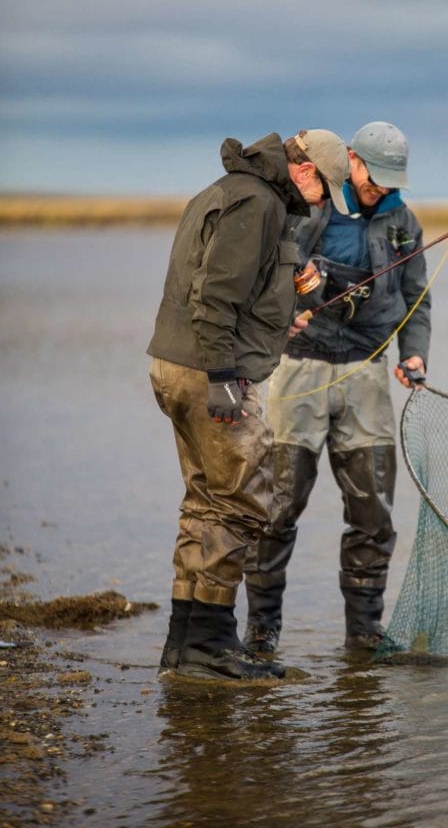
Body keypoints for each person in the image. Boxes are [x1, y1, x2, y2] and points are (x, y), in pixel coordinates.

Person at [148, 128, 350, 681]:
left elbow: (233, 290)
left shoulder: (230, 190)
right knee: (241, 501)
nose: (322, 204)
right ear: (304, 169)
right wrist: (224, 380)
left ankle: (186, 645)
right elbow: (214, 296)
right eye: (325, 190)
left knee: (205, 501)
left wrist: (288, 309)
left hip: (179, 365)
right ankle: (211, 643)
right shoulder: (257, 202)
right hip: (207, 372)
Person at [244, 121, 431, 653]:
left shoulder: (402, 221)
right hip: (298, 368)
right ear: (352, 160)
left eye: (393, 181)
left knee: (374, 513)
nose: (383, 189)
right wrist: (295, 305)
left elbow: (418, 296)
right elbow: (269, 270)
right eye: (376, 178)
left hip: (368, 372)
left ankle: (364, 633)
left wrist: (413, 351)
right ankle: (262, 629)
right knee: (277, 505)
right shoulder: (309, 205)